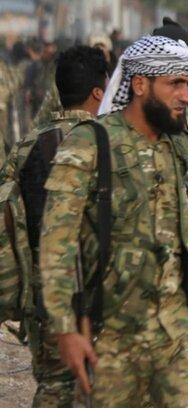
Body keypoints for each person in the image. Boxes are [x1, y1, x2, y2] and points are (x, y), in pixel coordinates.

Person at [39, 33, 188, 406]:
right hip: (112, 339)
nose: (186, 96)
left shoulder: (173, 148)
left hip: (176, 333)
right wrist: (65, 330)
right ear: (139, 85)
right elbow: (56, 243)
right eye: (175, 84)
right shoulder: (90, 143)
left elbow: (187, 246)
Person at [0, 45, 107, 407]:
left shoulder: (28, 145)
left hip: (45, 294)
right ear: (98, 92)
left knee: (54, 386)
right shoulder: (108, 142)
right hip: (101, 295)